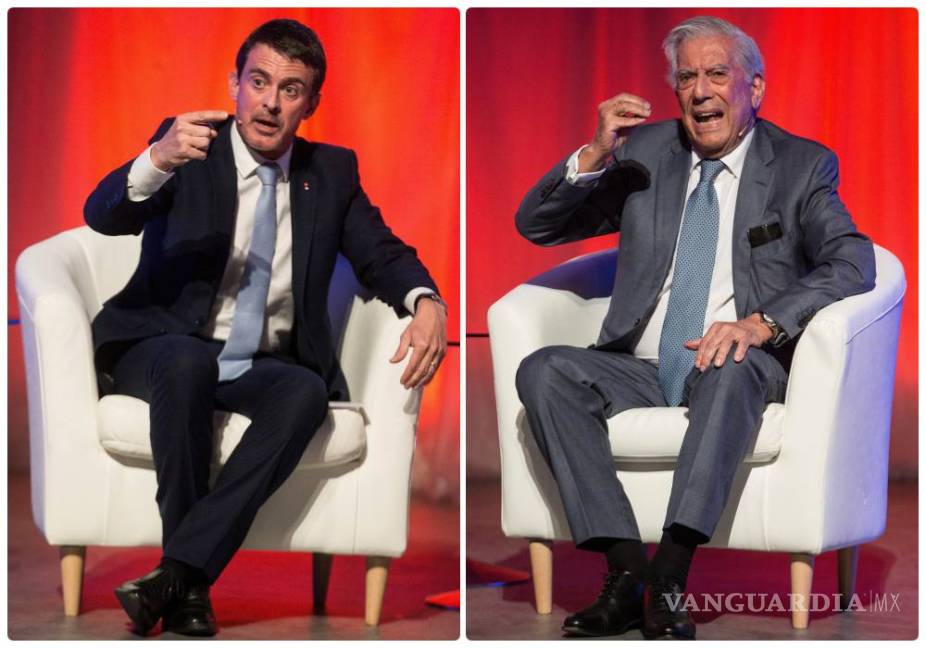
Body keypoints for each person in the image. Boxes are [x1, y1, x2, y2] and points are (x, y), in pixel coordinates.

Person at [514, 15, 874, 640]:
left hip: (737, 361)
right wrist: (595, 152)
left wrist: (762, 324)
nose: (700, 91)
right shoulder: (646, 154)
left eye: (716, 74)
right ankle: (628, 573)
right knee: (544, 371)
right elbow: (539, 225)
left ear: (753, 88)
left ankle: (670, 575)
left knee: (730, 364)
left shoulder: (800, 166)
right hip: (640, 363)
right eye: (686, 78)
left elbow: (852, 260)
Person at [84, 18, 447, 637]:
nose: (270, 103)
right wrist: (156, 160)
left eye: (290, 89)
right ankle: (190, 584)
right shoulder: (188, 148)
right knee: (187, 363)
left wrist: (427, 301)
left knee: (305, 391)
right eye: (258, 82)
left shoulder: (330, 172)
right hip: (159, 346)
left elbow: (381, 253)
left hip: (259, 362)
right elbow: (103, 215)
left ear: (311, 103)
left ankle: (178, 577)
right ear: (235, 85)